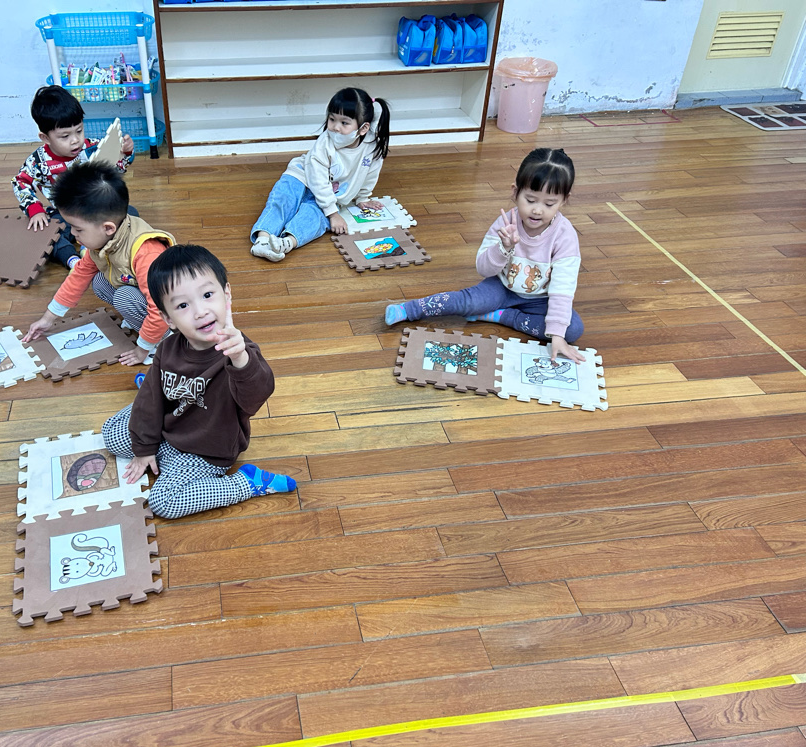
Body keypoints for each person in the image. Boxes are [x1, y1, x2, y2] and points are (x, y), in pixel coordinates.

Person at [101, 244, 297, 518]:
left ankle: (247, 483)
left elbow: (257, 396)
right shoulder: (168, 349)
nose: (200, 311)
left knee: (164, 503)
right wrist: (144, 448)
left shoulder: (238, 351)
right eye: (183, 305)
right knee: (111, 433)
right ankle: (164, 389)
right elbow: (148, 403)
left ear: (226, 295)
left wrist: (240, 359)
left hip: (205, 451)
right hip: (171, 425)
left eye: (207, 295)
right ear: (168, 318)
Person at [385, 147, 587, 363]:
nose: (538, 210)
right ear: (515, 192)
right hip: (501, 287)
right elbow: (483, 269)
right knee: (468, 302)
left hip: (541, 299)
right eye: (530, 200)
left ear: (564, 200)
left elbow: (562, 289)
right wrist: (504, 248)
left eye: (549, 204)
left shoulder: (565, 235)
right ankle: (410, 309)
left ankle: (504, 316)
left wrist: (557, 336)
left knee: (572, 329)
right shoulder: (505, 222)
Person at [22, 162, 175, 366]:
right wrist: (48, 318)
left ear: (108, 228)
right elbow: (78, 276)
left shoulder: (146, 253)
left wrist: (142, 349)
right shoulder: (105, 239)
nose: (73, 235)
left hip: (171, 310)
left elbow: (159, 308)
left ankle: (165, 340)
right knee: (100, 281)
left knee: (124, 297)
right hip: (143, 292)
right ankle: (143, 323)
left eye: (78, 230)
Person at [250, 87, 391, 262]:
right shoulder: (325, 142)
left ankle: (285, 243)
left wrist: (362, 197)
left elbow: (369, 175)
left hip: (330, 193)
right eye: (332, 119)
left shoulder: (372, 148)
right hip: (301, 177)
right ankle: (262, 240)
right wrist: (333, 213)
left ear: (363, 128)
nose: (335, 128)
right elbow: (317, 180)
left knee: (314, 217)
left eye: (344, 123)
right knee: (283, 200)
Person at [12, 85, 136, 269]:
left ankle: (89, 249)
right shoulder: (38, 161)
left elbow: (115, 170)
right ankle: (72, 259)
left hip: (96, 209)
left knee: (129, 214)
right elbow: (20, 182)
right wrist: (35, 209)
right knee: (45, 234)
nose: (75, 140)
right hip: (65, 214)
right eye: (65, 136)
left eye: (79, 130)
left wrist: (125, 153)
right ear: (45, 138)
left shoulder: (92, 147)